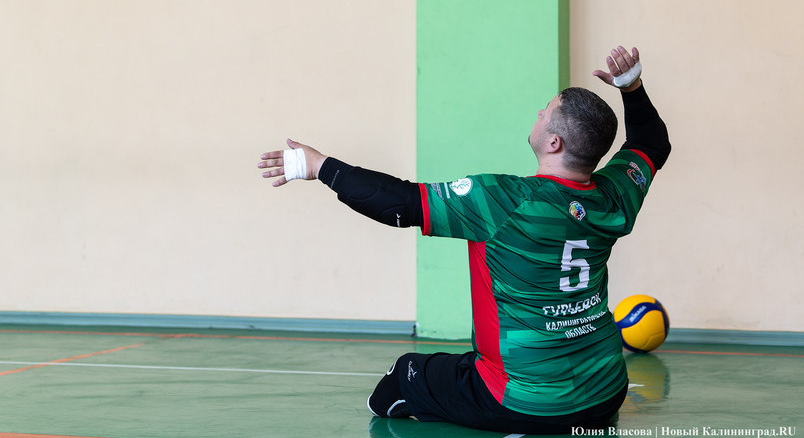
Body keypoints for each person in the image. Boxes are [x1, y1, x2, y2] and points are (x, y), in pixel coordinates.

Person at [257, 46, 670, 434]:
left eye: (546, 111)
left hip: (524, 402)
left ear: (553, 142)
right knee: (466, 363)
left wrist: (319, 166)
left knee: (402, 376)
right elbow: (651, 144)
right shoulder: (614, 196)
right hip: (606, 393)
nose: (539, 112)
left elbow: (399, 204)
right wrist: (631, 87)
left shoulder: (503, 200)